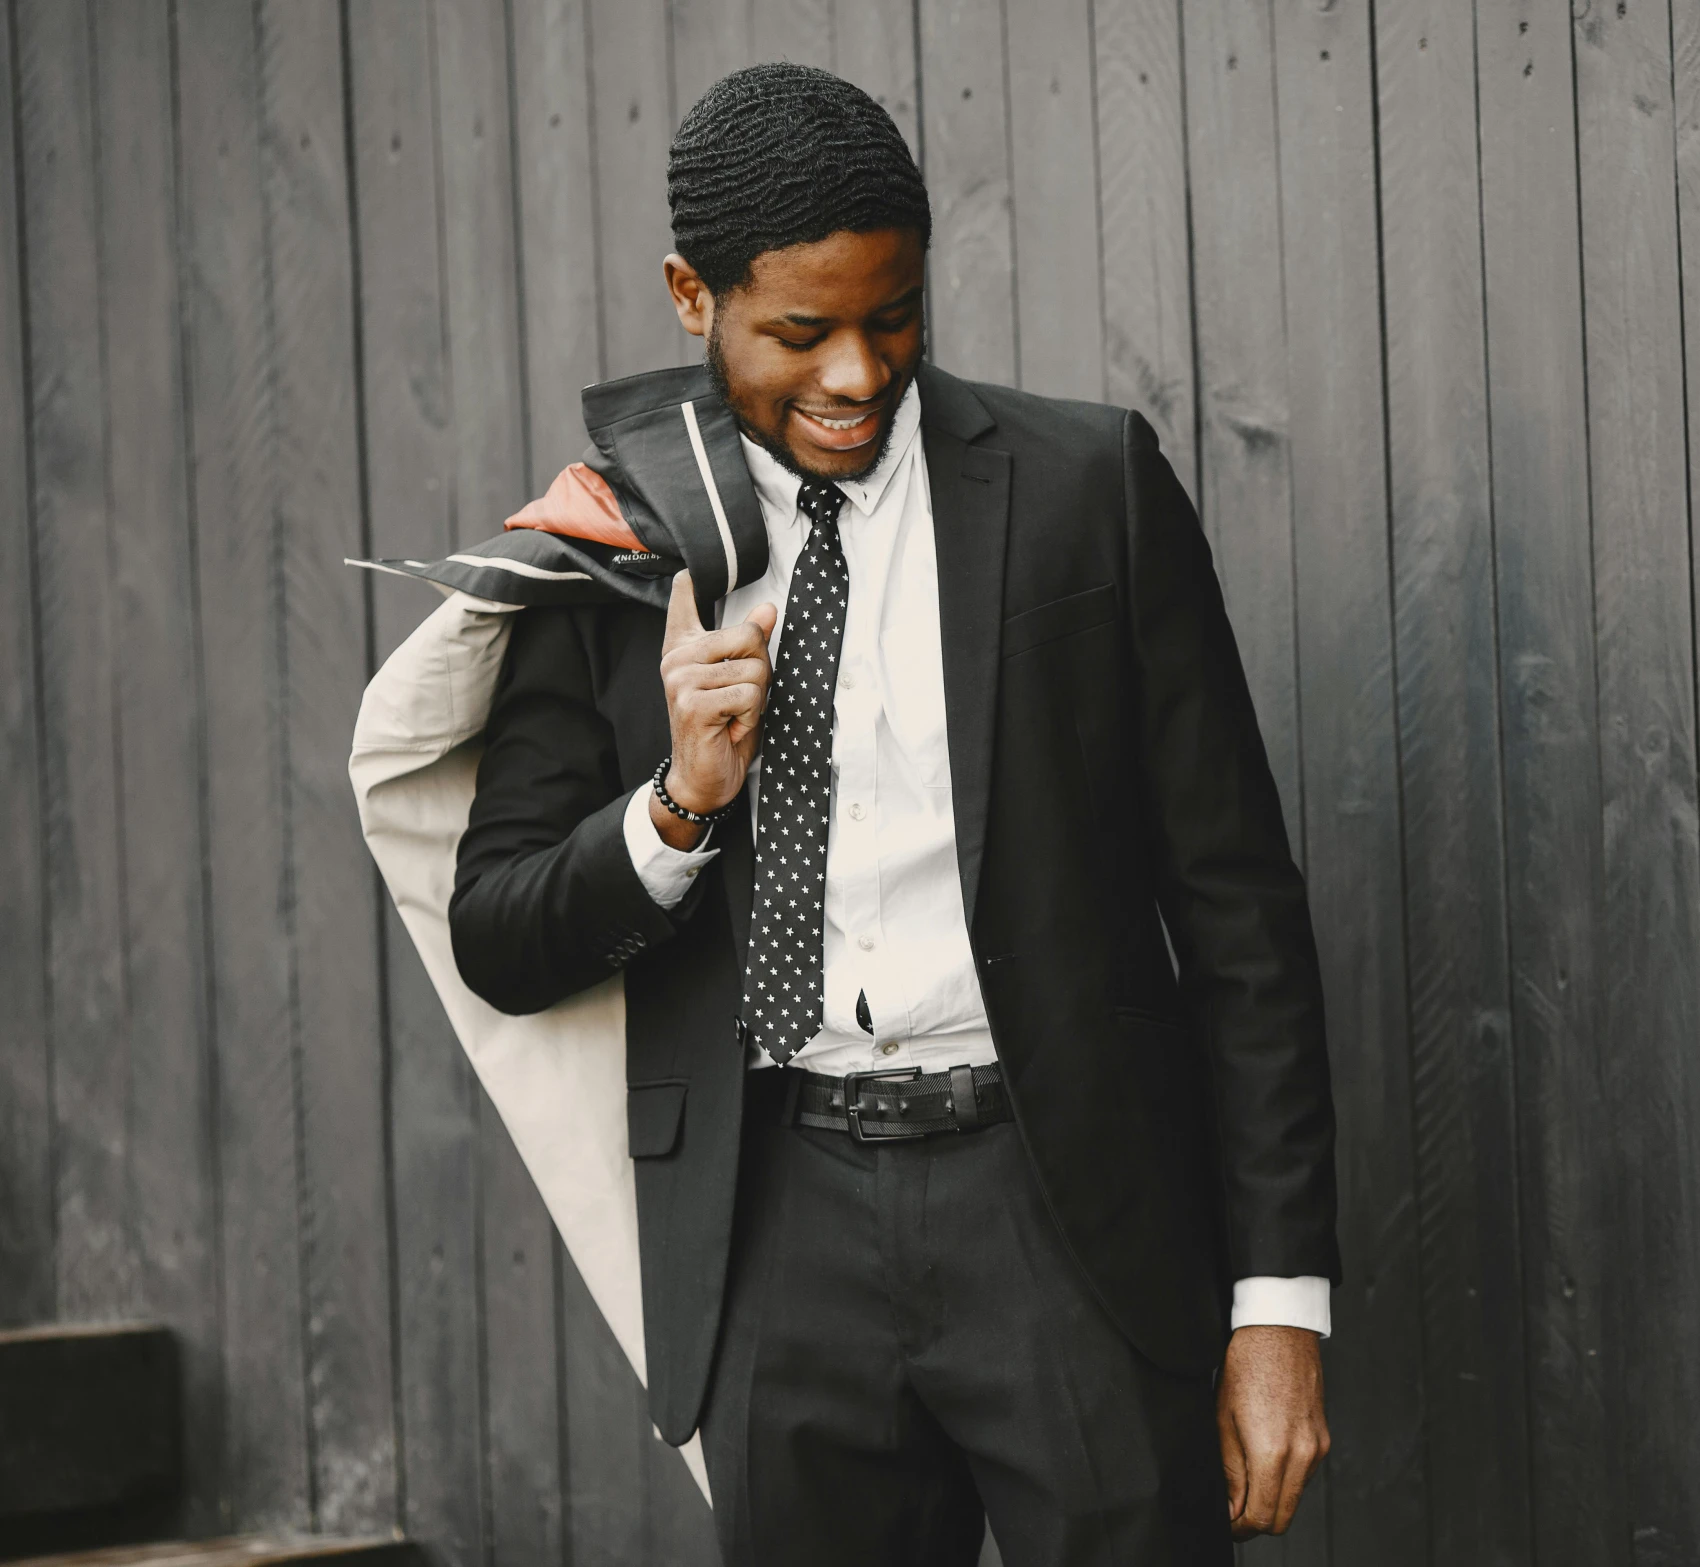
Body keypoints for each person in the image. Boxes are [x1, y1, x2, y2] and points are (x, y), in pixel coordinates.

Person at [444, 61, 1339, 1566]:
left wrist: (1278, 1306)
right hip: (776, 1225)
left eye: (895, 316)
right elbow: (499, 932)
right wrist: (677, 807)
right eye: (802, 333)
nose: (858, 373)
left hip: (1067, 1217)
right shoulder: (612, 549)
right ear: (692, 295)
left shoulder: (1086, 491)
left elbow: (1241, 919)